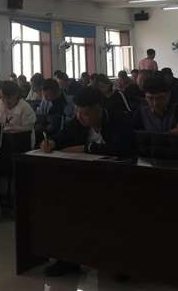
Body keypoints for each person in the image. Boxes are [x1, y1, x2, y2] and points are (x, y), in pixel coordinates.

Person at [40, 87, 135, 277]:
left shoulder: (120, 120)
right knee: (62, 206)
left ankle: (117, 262)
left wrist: (86, 148)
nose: (80, 117)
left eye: (85, 113)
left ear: (98, 109)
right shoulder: (78, 121)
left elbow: (120, 149)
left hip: (117, 180)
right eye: (77, 111)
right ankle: (68, 259)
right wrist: (51, 142)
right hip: (84, 178)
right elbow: (61, 137)